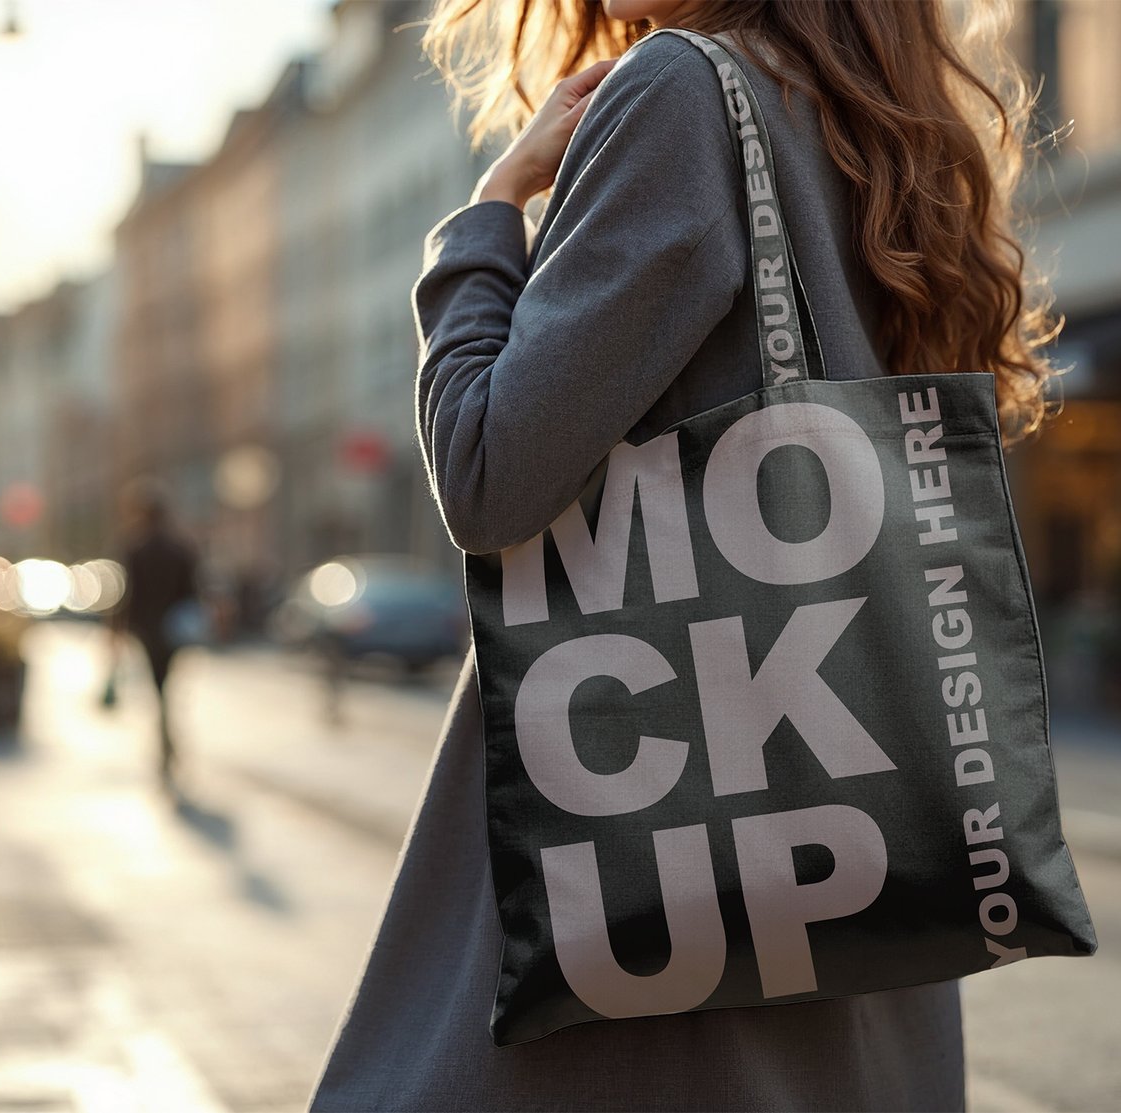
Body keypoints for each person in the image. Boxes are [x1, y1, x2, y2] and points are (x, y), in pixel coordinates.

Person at [308, 2, 1061, 1109]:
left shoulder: (677, 94)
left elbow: (487, 473)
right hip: (837, 894)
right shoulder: (866, 123)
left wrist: (487, 216)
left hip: (648, 923)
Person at [113, 488, 200, 783]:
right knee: (167, 683)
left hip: (148, 630)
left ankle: (165, 738)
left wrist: (116, 630)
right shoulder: (180, 549)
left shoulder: (136, 549)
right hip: (173, 630)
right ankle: (167, 737)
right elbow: (192, 593)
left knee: (158, 685)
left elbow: (127, 595)